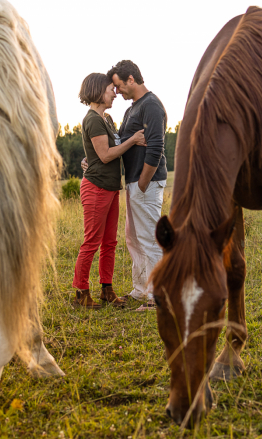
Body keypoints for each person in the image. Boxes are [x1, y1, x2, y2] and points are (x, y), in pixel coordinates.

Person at [72, 73, 146, 309]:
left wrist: (89, 158)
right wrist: (133, 140)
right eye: (110, 89)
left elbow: (100, 151)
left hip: (111, 188)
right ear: (97, 92)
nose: (114, 93)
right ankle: (81, 293)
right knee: (92, 242)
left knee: (109, 242)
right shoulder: (92, 119)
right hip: (96, 187)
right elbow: (105, 156)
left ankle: (107, 289)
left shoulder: (108, 119)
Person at [109, 60, 168, 310]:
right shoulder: (131, 109)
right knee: (133, 239)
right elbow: (122, 140)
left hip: (146, 182)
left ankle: (158, 296)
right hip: (133, 182)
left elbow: (155, 148)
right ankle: (141, 289)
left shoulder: (151, 106)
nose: (117, 91)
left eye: (118, 85)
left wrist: (143, 183)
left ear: (131, 79)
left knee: (150, 239)